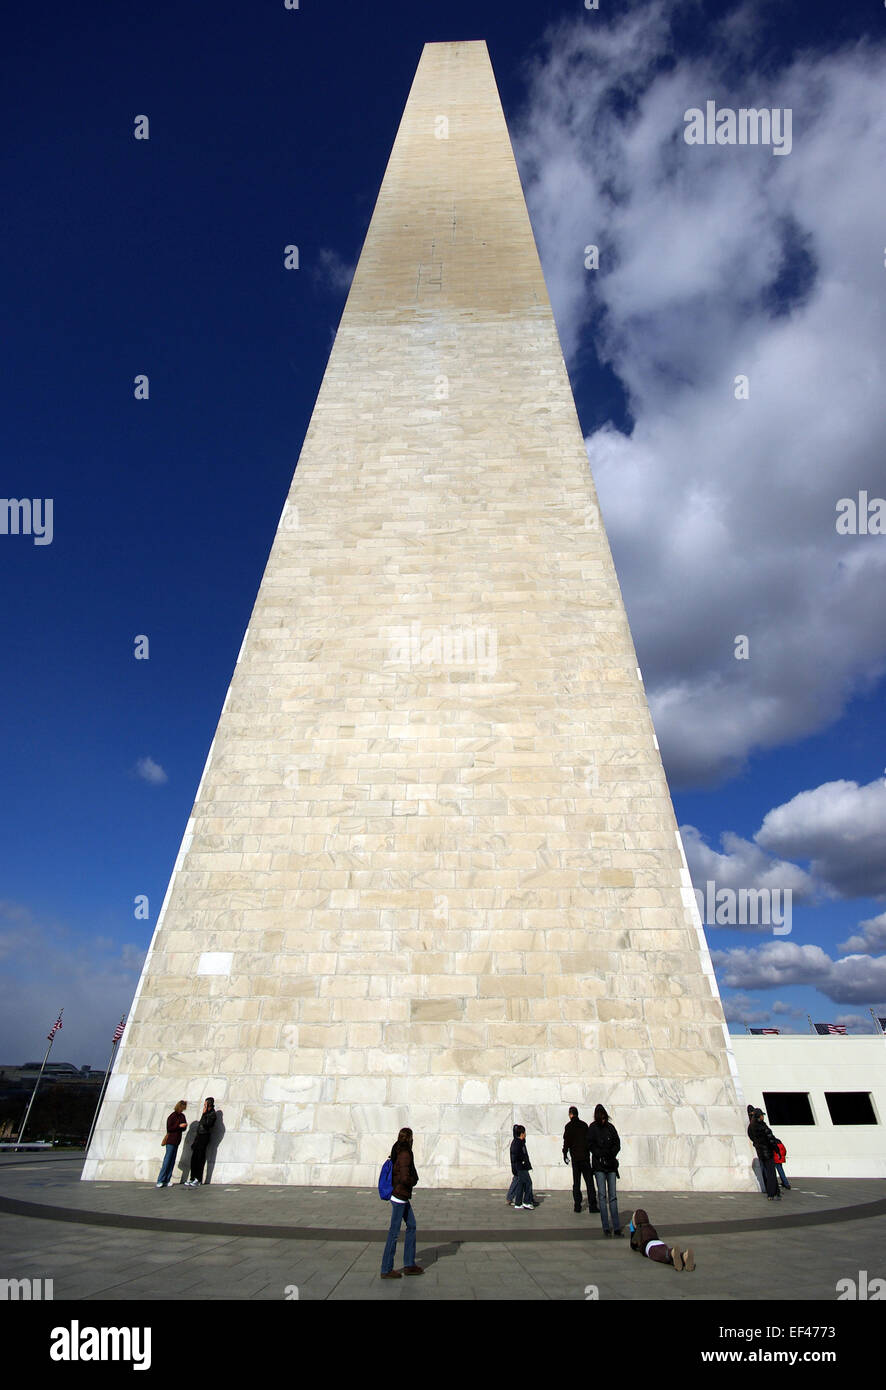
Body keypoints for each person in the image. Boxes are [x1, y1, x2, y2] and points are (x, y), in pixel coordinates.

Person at [380, 1127, 423, 1278]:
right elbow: (405, 1177)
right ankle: (386, 1269)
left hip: (400, 1196)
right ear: (409, 1138)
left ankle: (409, 1264)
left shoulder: (396, 1148)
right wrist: (413, 1180)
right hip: (400, 1196)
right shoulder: (405, 1153)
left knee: (411, 1225)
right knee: (394, 1233)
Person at [588, 1103, 622, 1236]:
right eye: (600, 1118)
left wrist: (610, 1154)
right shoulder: (592, 1128)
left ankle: (617, 1226)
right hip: (599, 1167)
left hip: (611, 1166)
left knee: (612, 1196)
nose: (603, 1120)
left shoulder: (610, 1128)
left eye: (604, 1118)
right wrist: (600, 1154)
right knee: (602, 1196)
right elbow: (590, 1144)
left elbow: (617, 1143)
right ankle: (606, 1227)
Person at [629, 1207, 695, 1272]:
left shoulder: (639, 1231)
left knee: (662, 1256)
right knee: (665, 1252)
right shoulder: (650, 1227)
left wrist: (632, 1230)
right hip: (659, 1243)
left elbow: (633, 1246)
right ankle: (684, 1256)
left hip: (650, 1247)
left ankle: (672, 1252)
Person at [562, 1105, 598, 1213]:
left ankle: (577, 1205)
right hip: (585, 1157)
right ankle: (592, 1205)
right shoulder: (584, 1125)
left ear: (570, 1114)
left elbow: (566, 1142)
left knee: (576, 1182)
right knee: (589, 1182)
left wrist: (565, 1153)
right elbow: (588, 1141)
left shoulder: (568, 1126)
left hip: (575, 1158)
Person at [747, 1106, 780, 1200]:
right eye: (762, 1115)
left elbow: (750, 1136)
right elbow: (771, 1138)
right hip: (767, 1152)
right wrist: (776, 1150)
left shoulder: (751, 1127)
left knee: (767, 1172)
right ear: (759, 1116)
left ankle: (774, 1192)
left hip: (760, 1152)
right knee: (771, 1173)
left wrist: (757, 1144)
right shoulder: (762, 1126)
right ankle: (772, 1193)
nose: (763, 1117)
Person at [185, 1097, 217, 1186]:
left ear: (209, 1104)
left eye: (205, 1104)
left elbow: (207, 1124)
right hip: (199, 1136)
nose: (204, 1106)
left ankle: (198, 1179)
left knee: (200, 1158)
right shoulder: (207, 1113)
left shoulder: (212, 1114)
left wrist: (205, 1114)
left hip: (204, 1137)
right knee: (194, 1157)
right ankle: (192, 1177)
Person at [156, 1100, 187, 1188]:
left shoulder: (182, 1116)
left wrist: (184, 1126)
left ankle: (167, 1180)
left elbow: (183, 1128)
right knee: (167, 1161)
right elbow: (169, 1128)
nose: (183, 1110)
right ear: (179, 1107)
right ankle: (160, 1180)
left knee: (172, 1161)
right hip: (170, 1141)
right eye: (182, 1107)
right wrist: (179, 1126)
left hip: (177, 1141)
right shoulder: (172, 1116)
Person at [510, 1124, 536, 1210]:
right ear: (521, 1133)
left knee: (521, 1184)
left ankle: (518, 1203)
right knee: (528, 1183)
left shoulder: (518, 1142)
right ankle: (527, 1202)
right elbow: (517, 1155)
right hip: (521, 1167)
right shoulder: (518, 1143)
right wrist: (523, 1161)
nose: (525, 1134)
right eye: (524, 1132)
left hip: (520, 1166)